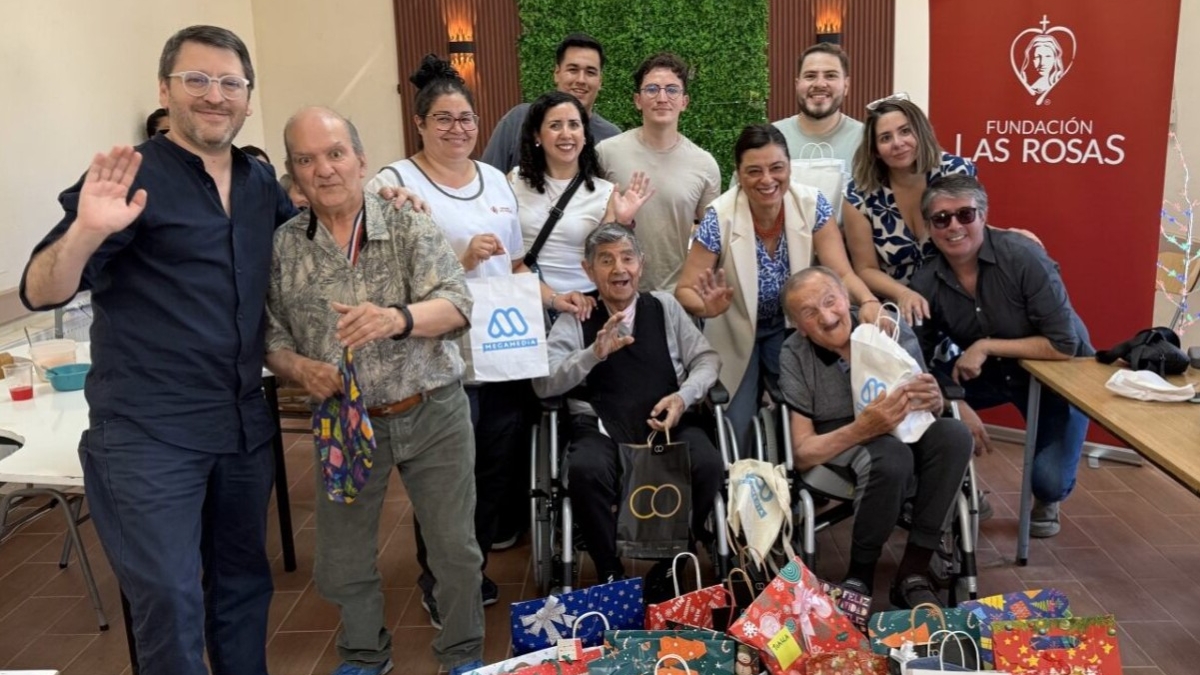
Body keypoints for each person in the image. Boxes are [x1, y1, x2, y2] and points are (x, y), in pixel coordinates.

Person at [20, 25, 295, 675]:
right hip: (149, 434)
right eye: (197, 79)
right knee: (169, 601)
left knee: (242, 588)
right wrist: (86, 231)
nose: (214, 95)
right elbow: (40, 287)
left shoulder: (260, 183)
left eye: (230, 83)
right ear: (165, 89)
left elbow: (312, 252)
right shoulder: (129, 179)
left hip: (241, 422)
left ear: (248, 98)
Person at [365, 55, 592, 628]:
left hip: (502, 347)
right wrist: (458, 262)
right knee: (444, 470)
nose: (457, 129)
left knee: (495, 463)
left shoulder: (494, 179)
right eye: (443, 119)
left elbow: (515, 263)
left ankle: (472, 563)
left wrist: (553, 298)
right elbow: (382, 274)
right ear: (420, 123)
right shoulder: (393, 184)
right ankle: (439, 576)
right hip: (436, 355)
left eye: (465, 118)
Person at [265, 106, 483, 675]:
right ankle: (364, 654)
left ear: (361, 161)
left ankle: (461, 655)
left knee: (455, 551)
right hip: (343, 418)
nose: (325, 169)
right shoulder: (285, 246)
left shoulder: (408, 223)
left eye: (336, 154)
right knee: (341, 558)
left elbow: (458, 304)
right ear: (293, 173)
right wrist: (298, 368)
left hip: (431, 409)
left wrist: (395, 319)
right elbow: (270, 336)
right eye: (307, 160)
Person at [533, 223, 723, 586]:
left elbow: (707, 359)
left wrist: (683, 398)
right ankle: (610, 572)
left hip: (666, 420)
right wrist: (592, 354)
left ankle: (673, 564)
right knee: (586, 470)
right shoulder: (578, 316)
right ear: (589, 270)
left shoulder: (665, 306)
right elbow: (544, 385)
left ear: (641, 264)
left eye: (627, 258)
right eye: (606, 260)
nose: (619, 269)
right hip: (603, 427)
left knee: (708, 464)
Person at [675, 124, 880, 453]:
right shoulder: (720, 217)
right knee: (736, 423)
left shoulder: (813, 205)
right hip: (734, 329)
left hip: (792, 327)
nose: (767, 180)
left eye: (777, 168)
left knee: (800, 409)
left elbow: (840, 271)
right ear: (739, 175)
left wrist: (868, 300)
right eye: (753, 171)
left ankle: (800, 487)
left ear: (789, 167)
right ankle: (743, 490)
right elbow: (684, 289)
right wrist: (705, 307)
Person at [778, 267, 972, 608]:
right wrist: (862, 429)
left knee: (954, 435)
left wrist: (936, 401)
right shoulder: (794, 353)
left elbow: (928, 406)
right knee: (890, 455)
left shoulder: (886, 328)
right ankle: (860, 576)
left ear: (845, 297)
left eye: (830, 301)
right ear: (799, 328)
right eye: (809, 313)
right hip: (840, 436)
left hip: (905, 424)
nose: (826, 317)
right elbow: (803, 453)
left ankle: (913, 571)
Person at [911, 175, 1092, 539]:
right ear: (929, 228)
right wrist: (952, 402)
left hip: (1056, 372)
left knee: (1050, 480)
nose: (954, 226)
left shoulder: (1024, 257)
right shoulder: (926, 280)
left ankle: (1048, 497)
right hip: (989, 372)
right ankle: (961, 488)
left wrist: (984, 346)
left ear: (984, 215)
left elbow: (1063, 345)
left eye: (965, 214)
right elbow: (918, 358)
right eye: (941, 219)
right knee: (920, 404)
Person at [843, 96, 976, 327]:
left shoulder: (955, 171)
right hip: (896, 311)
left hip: (956, 299)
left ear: (920, 132)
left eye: (905, 131)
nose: (897, 143)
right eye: (885, 138)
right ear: (875, 150)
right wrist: (902, 294)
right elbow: (865, 269)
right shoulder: (858, 194)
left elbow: (970, 230)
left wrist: (1009, 234)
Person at [597, 52, 720, 292]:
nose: (662, 97)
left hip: (677, 297)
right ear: (637, 100)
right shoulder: (606, 153)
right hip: (616, 292)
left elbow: (711, 240)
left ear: (684, 101)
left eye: (672, 90)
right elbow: (590, 225)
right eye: (651, 89)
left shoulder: (704, 165)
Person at [512, 90, 651, 298]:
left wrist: (622, 221)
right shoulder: (514, 181)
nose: (566, 134)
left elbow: (607, 257)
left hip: (583, 305)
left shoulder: (605, 192)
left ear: (584, 135)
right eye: (555, 125)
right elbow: (505, 253)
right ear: (537, 135)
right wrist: (552, 298)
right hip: (526, 302)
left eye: (574, 125)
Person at [481, 33, 621, 172]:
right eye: (573, 70)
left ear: (600, 81)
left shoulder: (611, 138)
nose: (581, 80)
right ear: (556, 73)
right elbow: (488, 180)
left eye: (590, 72)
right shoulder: (518, 120)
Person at [771, 43, 863, 164]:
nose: (819, 84)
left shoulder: (866, 140)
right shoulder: (771, 138)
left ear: (846, 85)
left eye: (830, 76)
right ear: (797, 85)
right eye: (810, 76)